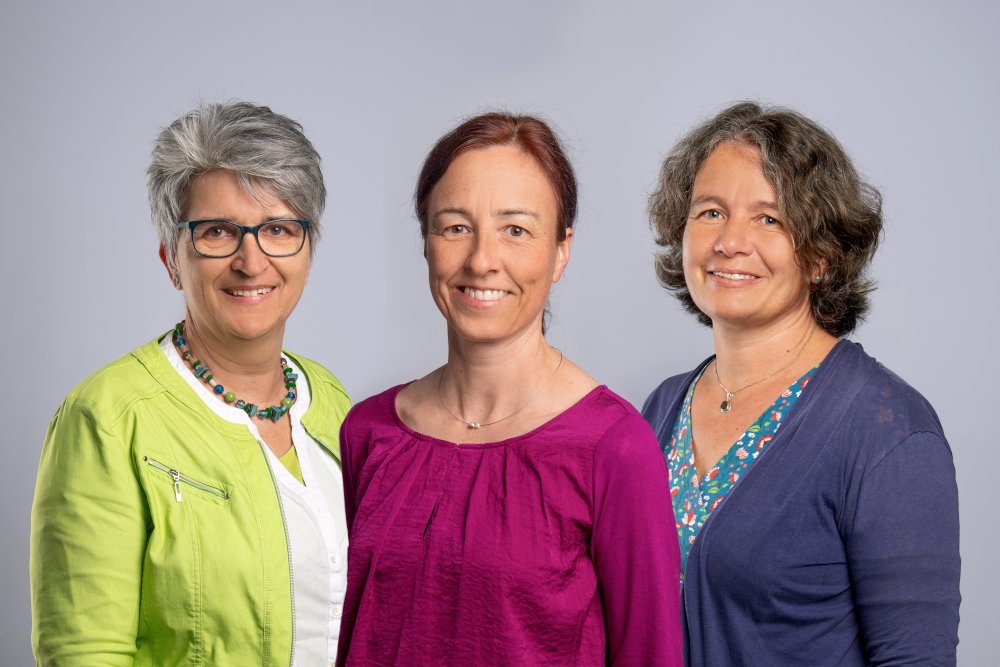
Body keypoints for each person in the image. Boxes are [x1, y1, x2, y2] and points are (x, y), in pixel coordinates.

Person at [336, 112, 682, 665]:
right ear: (426, 243)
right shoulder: (368, 431)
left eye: (515, 230)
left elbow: (651, 654)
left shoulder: (614, 448)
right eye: (455, 227)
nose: (481, 259)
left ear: (561, 251)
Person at [30, 101, 351, 665]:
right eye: (218, 232)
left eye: (278, 228)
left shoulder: (333, 401)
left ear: (308, 248)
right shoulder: (107, 418)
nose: (251, 262)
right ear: (171, 258)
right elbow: (86, 651)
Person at [642, 101, 961, 666]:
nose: (730, 242)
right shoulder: (663, 408)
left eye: (770, 219)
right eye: (710, 212)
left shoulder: (888, 434)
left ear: (820, 255)